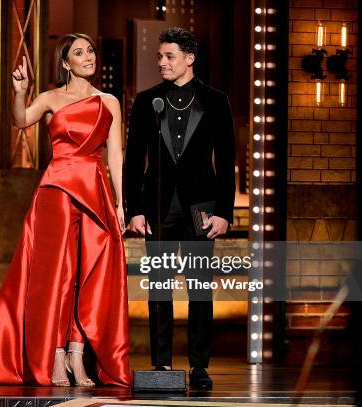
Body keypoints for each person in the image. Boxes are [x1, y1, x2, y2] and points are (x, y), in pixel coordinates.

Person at [0, 33, 131, 387]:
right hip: (56, 191)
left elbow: (115, 156)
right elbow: (21, 120)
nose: (88, 57)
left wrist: (120, 203)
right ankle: (54, 356)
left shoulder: (109, 102)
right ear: (65, 62)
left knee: (88, 276)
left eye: (91, 51)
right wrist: (20, 91)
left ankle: (77, 354)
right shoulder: (51, 98)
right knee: (57, 276)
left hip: (95, 193)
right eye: (79, 52)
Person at [125, 28, 235, 390]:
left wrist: (224, 211)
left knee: (200, 289)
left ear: (189, 58)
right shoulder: (146, 101)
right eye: (159, 56)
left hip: (201, 208)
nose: (161, 62)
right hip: (157, 208)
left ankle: (199, 367)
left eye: (169, 56)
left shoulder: (216, 101)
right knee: (159, 290)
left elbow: (227, 160)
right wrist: (134, 209)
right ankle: (161, 366)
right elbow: (132, 161)